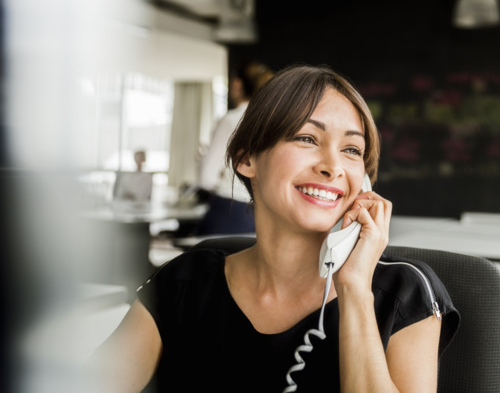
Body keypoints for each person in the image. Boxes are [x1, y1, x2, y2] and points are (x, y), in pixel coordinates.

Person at [88, 65, 459, 392]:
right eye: (307, 139)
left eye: (351, 150)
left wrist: (355, 291)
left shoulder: (404, 293)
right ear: (247, 158)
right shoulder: (185, 282)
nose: (333, 166)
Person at [195, 59, 274, 235]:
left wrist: (211, 165)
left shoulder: (232, 120)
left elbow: (206, 178)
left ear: (237, 84)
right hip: (263, 214)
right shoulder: (273, 123)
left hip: (229, 211)